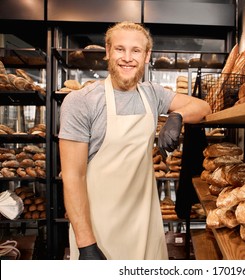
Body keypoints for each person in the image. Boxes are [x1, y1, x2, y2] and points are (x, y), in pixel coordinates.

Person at [58, 21, 211, 260]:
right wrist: (86, 243)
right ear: (108, 51)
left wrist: (177, 115)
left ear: (147, 55)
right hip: (99, 230)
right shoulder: (80, 102)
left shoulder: (152, 94)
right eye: (120, 49)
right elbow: (72, 177)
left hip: (145, 226)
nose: (127, 58)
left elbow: (203, 107)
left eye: (136, 50)